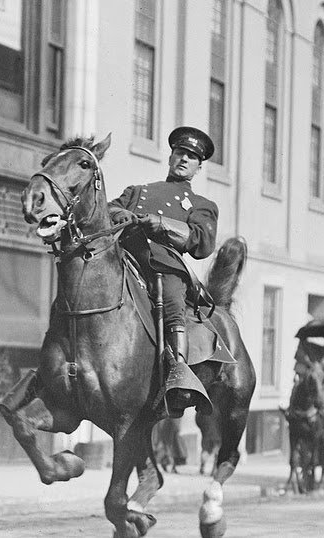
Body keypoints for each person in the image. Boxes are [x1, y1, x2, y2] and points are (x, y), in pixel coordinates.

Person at [107, 126, 218, 417]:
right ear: (170, 156)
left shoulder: (201, 205)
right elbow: (108, 209)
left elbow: (201, 242)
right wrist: (125, 215)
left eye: (191, 157)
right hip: (126, 258)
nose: (183, 159)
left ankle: (178, 375)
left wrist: (162, 224)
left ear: (198, 167)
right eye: (180, 153)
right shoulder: (139, 192)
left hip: (164, 267)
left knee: (172, 302)